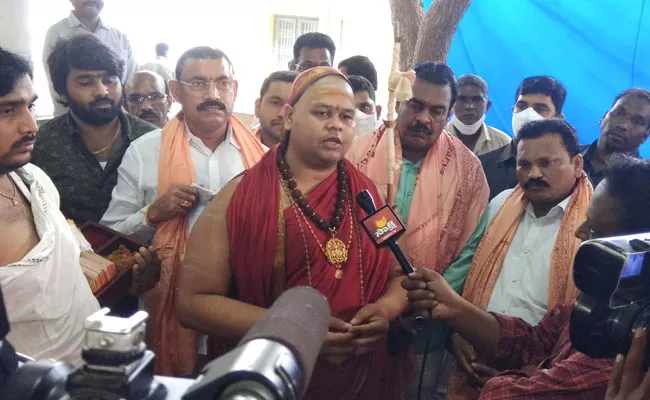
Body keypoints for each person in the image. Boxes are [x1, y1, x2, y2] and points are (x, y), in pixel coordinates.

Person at [177, 67, 411, 399]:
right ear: (288, 116)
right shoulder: (242, 198)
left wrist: (386, 310)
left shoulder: (368, 195)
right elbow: (192, 303)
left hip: (359, 378)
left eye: (346, 116)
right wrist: (299, 333)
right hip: (269, 381)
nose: (336, 124)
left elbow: (402, 273)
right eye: (322, 113)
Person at [403, 154, 650, 399]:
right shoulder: (605, 298)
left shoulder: (634, 339)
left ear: (640, 248)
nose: (579, 232)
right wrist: (455, 308)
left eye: (595, 231)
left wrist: (520, 380)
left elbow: (506, 395)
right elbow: (534, 340)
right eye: (525, 163)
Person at [100, 46, 265, 376]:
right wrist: (154, 213)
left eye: (222, 82)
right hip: (167, 306)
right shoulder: (146, 152)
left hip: (240, 307)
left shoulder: (260, 156)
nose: (213, 94)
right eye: (199, 83)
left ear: (235, 88)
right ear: (175, 91)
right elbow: (111, 241)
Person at [0, 47, 159, 366]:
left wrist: (129, 276)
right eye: (7, 110)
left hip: (94, 368)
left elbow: (74, 267)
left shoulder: (34, 179)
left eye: (30, 106)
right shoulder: (47, 147)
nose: (30, 125)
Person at [346, 61, 489, 399]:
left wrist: (418, 305)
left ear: (449, 113)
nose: (424, 118)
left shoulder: (468, 171)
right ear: (398, 104)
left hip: (425, 328)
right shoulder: (354, 154)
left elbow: (472, 250)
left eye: (437, 110)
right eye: (416, 105)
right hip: (355, 317)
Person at [442, 118, 593, 398]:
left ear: (577, 165)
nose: (533, 174)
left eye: (546, 163)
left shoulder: (594, 225)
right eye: (524, 165)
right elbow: (469, 273)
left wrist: (532, 371)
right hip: (476, 354)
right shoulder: (500, 204)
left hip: (544, 373)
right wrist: (460, 333)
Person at [32, 35, 157, 225]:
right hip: (68, 252)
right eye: (85, 82)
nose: (102, 91)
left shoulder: (151, 139)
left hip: (142, 251)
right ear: (62, 92)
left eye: (109, 80)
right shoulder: (40, 145)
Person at [43, 0, 137, 116]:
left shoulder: (120, 37)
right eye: (85, 82)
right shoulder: (57, 33)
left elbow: (131, 84)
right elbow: (56, 86)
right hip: (72, 122)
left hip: (117, 120)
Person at [479, 76, 567, 200]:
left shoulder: (567, 172)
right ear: (513, 110)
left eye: (540, 109)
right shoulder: (481, 167)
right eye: (521, 106)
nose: (528, 114)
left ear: (558, 119)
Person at [580, 88, 650, 186]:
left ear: (645, 136)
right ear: (604, 117)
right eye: (619, 114)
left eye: (637, 122)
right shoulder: (569, 154)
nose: (623, 125)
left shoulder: (644, 185)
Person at [446, 74, 510, 156]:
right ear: (451, 104)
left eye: (477, 100)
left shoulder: (503, 144)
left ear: (487, 106)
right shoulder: (436, 139)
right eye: (462, 99)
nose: (469, 106)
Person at [253, 71, 297, 147]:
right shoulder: (238, 146)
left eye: (293, 105)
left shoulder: (318, 155)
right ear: (258, 107)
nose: (283, 114)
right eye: (275, 103)